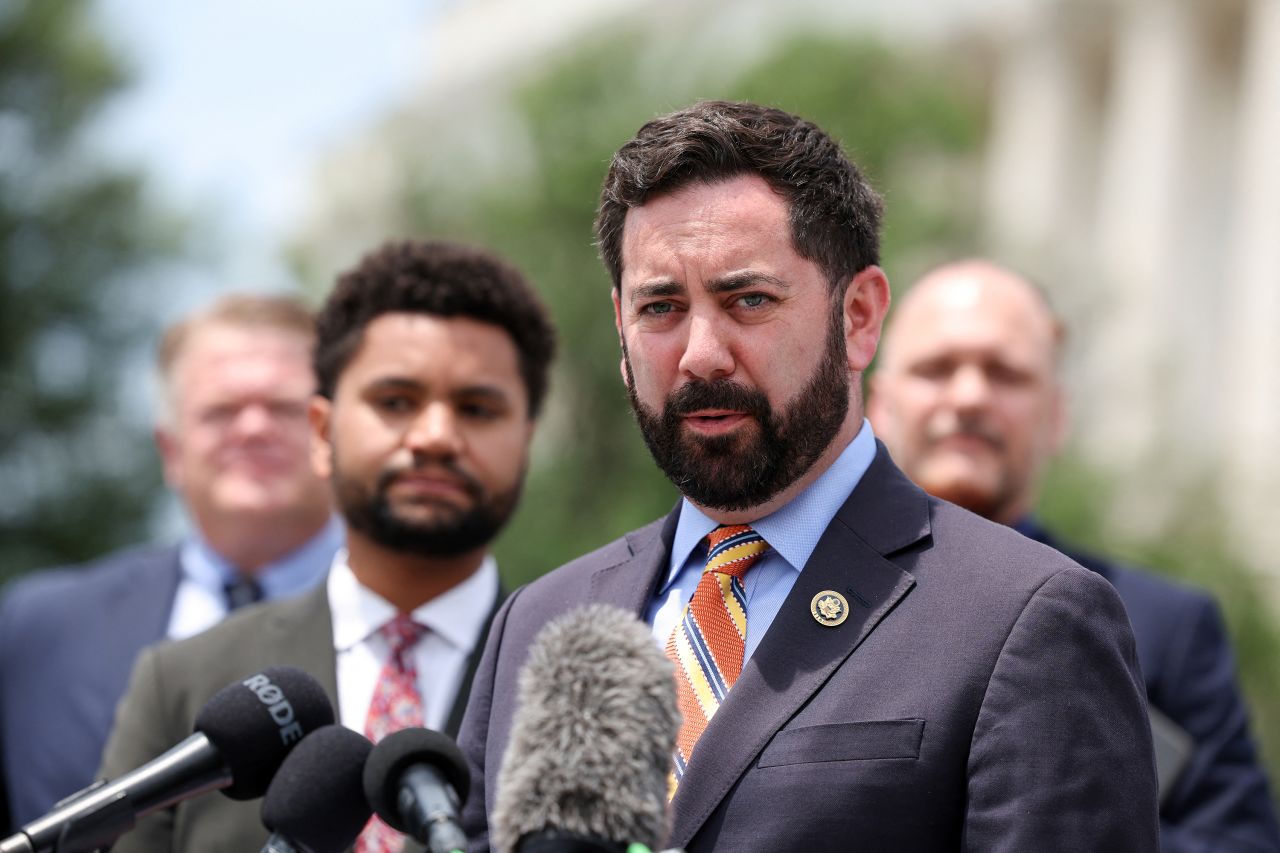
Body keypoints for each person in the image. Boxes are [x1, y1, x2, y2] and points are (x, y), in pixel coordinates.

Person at [457, 101, 1160, 851]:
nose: (700, 354)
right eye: (660, 307)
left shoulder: (1025, 617)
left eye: (748, 300)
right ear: (621, 333)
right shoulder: (537, 623)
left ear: (858, 316)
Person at [99, 239, 556, 852]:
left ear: (524, 439)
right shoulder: (184, 682)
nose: (436, 436)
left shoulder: (581, 682)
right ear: (321, 433)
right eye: (396, 402)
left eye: (477, 408)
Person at [867, 259, 1280, 851]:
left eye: (1005, 373)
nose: (970, 395)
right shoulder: (787, 593)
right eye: (936, 369)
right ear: (878, 407)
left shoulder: (1164, 629)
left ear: (1056, 415)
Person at [0, 294, 341, 831]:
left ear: (331, 432)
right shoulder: (38, 629)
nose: (253, 427)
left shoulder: (410, 625)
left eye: (283, 407)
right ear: (170, 450)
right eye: (220, 411)